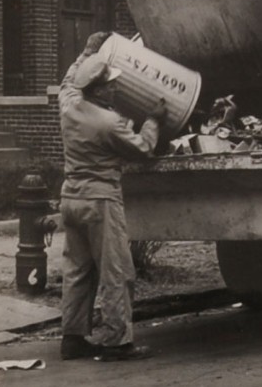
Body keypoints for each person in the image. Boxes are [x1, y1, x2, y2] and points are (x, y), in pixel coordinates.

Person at [58, 32, 167, 362]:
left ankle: (73, 338)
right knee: (116, 271)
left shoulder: (69, 106)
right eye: (112, 84)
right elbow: (144, 149)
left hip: (71, 199)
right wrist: (153, 120)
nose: (116, 88)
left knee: (77, 270)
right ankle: (116, 342)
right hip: (100, 202)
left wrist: (87, 53)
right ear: (100, 89)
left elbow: (69, 81)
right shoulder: (110, 123)